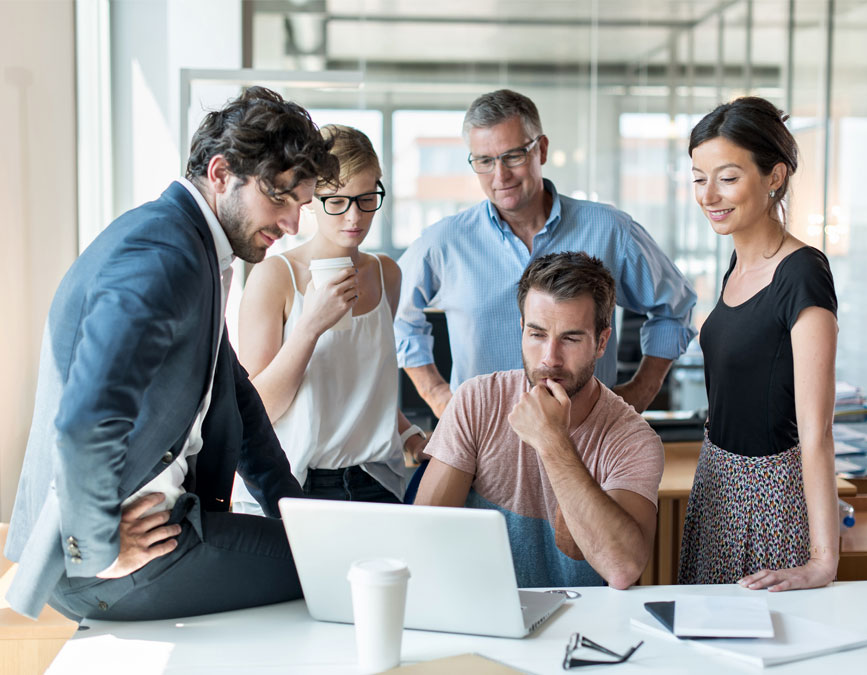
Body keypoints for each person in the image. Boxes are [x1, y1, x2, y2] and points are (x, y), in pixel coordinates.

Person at [4, 87, 338, 621]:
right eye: (279, 197)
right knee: (341, 567)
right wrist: (95, 549)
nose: (294, 224)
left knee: (328, 550)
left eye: (302, 205)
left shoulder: (195, 246)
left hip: (161, 531)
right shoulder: (166, 255)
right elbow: (89, 415)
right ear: (222, 172)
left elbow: (237, 400)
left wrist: (293, 512)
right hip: (118, 563)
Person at [395, 89, 698, 418]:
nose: (500, 176)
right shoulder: (444, 241)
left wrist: (638, 393)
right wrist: (439, 396)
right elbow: (397, 317)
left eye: (513, 156)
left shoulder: (611, 229)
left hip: (587, 440)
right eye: (484, 161)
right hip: (481, 445)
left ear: (541, 149)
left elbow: (674, 306)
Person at [414, 252, 663, 589]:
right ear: (521, 329)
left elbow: (622, 569)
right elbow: (424, 535)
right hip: (484, 612)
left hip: (587, 626)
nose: (550, 358)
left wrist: (553, 442)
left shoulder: (633, 439)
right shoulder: (477, 400)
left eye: (571, 339)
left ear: (601, 342)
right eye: (537, 335)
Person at [678, 97, 839, 590]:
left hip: (771, 496)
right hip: (716, 482)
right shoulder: (736, 266)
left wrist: (822, 562)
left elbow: (817, 433)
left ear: (774, 177)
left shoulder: (803, 274)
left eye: (727, 177)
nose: (709, 195)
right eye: (698, 178)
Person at [231, 124, 425, 510]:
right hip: (296, 483)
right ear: (310, 200)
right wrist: (310, 325)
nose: (354, 216)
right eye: (336, 201)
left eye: (367, 198)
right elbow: (258, 410)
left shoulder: (387, 274)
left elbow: (365, 390)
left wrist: (411, 437)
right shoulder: (275, 277)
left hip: (377, 481)